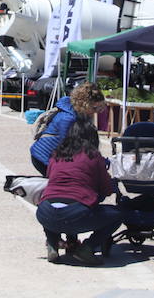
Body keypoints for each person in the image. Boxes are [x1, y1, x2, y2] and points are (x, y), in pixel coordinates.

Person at [35, 118, 122, 265]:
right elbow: (106, 188)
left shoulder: (56, 154)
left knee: (57, 203)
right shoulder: (93, 156)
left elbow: (50, 179)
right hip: (76, 213)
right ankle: (87, 248)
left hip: (45, 212)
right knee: (117, 215)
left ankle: (53, 242)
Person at [30, 82, 106, 176]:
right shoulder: (68, 119)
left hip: (53, 155)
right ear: (84, 104)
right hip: (43, 156)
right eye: (94, 108)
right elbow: (71, 146)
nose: (96, 112)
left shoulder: (76, 112)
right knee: (64, 184)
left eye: (99, 108)